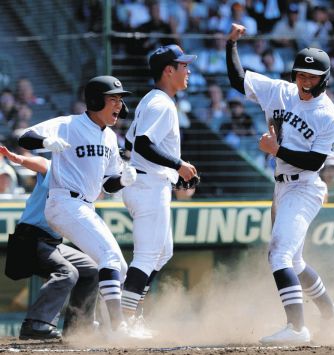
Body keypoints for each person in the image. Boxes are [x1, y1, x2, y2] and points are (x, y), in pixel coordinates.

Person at [226, 23, 334, 345]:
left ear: (325, 78)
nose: (305, 82)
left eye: (312, 77)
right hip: (282, 187)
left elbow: (315, 162)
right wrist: (231, 44)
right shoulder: (281, 91)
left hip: (305, 186)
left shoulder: (326, 114)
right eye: (301, 75)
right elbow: (239, 80)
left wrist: (275, 150)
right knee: (294, 261)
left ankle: (297, 328)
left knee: (278, 255)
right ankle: (331, 310)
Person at [17, 75, 138, 337]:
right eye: (113, 99)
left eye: (120, 100)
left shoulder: (109, 139)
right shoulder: (69, 124)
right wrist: (45, 143)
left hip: (84, 206)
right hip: (63, 201)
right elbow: (25, 137)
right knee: (108, 257)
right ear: (95, 101)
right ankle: (118, 328)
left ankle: (107, 329)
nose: (119, 105)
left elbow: (107, 185)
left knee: (120, 266)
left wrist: (122, 180)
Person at [121, 45, 198, 326]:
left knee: (162, 252)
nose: (188, 70)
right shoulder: (160, 103)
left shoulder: (153, 100)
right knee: (147, 255)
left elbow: (130, 142)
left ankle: (131, 313)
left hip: (148, 181)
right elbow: (142, 143)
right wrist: (177, 165)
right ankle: (123, 320)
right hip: (147, 185)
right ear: (169, 70)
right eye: (183, 65)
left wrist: (171, 168)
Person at [2, 146, 98, 340]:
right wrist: (18, 159)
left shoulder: (84, 182)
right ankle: (36, 324)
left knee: (92, 270)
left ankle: (78, 329)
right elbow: (41, 164)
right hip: (29, 238)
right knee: (67, 273)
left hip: (52, 243)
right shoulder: (57, 168)